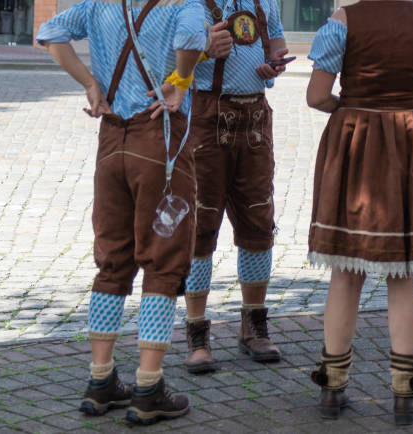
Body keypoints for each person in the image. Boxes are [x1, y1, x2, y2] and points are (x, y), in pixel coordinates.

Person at [36, 0, 207, 424]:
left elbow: (50, 34)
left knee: (112, 260)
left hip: (112, 141)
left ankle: (100, 381)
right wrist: (181, 80)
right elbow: (191, 37)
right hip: (158, 140)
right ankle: (148, 386)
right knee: (163, 262)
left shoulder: (99, 3)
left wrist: (91, 85)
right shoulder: (182, 3)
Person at [306, 0, 413, 425]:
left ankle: (332, 387)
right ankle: (405, 394)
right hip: (410, 146)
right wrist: (412, 106)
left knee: (346, 269)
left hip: (354, 145)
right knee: (403, 271)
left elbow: (317, 95)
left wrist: (350, 106)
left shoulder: (342, 21)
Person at [181, 0, 288, 373]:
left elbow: (276, 41)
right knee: (201, 221)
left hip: (256, 116)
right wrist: (203, 51)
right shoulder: (192, 4)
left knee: (258, 221)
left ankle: (253, 325)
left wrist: (274, 61)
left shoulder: (266, 1)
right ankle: (197, 332)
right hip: (206, 117)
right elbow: (163, 59)